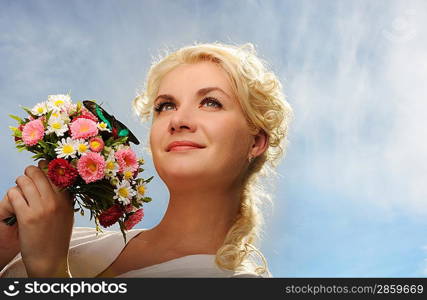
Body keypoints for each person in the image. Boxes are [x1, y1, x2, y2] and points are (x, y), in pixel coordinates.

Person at [0, 42, 293, 278]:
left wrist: (50, 274)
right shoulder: (68, 239)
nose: (178, 120)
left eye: (211, 102)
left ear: (255, 142)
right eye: (166, 106)